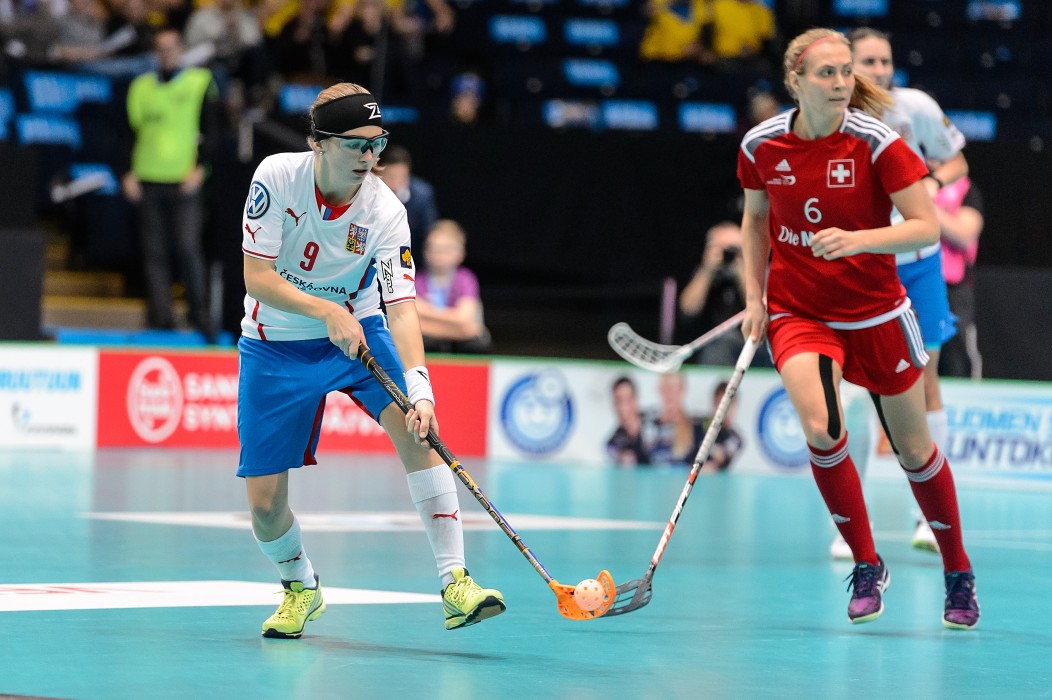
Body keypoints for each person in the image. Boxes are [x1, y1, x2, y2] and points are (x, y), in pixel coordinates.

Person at [237, 82, 505, 639]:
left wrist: (422, 388)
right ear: (320, 143)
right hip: (275, 344)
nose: (370, 157)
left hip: (361, 334)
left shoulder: (387, 210)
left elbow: (403, 307)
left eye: (377, 144)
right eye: (357, 144)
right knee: (264, 506)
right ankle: (300, 586)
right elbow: (257, 278)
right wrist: (323, 312)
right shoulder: (275, 177)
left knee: (417, 432)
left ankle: (455, 582)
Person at [736, 28, 979, 629]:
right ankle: (867, 564)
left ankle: (957, 570)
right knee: (821, 428)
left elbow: (924, 226)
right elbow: (755, 220)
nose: (842, 83)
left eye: (847, 72)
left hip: (877, 311)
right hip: (801, 312)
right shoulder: (761, 145)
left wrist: (858, 241)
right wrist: (754, 296)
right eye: (827, 73)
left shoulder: (877, 141)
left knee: (915, 451)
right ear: (794, 81)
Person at [847, 27, 971, 555]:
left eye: (885, 60)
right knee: (860, 390)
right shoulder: (837, 119)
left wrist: (932, 188)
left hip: (918, 265)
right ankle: (857, 523)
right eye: (867, 62)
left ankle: (930, 519)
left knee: (927, 379)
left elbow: (957, 161)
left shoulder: (915, 106)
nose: (879, 70)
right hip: (864, 268)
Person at [122, 27, 218, 338]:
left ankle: (199, 315)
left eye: (171, 47)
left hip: (184, 179)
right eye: (160, 48)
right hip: (148, 178)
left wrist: (202, 167)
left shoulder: (198, 82)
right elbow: (129, 133)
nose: (166, 53)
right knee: (154, 253)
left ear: (181, 49)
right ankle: (161, 317)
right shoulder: (140, 87)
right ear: (154, 52)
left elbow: (212, 129)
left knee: (188, 248)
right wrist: (128, 171)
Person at [414, 219, 491, 354]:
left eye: (446, 249)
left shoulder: (466, 279)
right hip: (438, 339)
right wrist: (457, 326)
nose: (439, 255)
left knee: (476, 344)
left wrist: (427, 312)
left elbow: (464, 318)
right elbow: (414, 323)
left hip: (464, 343)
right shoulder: (416, 280)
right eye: (433, 248)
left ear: (460, 253)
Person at [677, 221, 746, 366]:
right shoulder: (701, 274)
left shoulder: (756, 273)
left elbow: (763, 309)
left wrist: (741, 272)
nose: (728, 255)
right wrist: (708, 269)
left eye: (735, 249)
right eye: (722, 249)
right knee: (719, 348)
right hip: (710, 346)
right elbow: (688, 311)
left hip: (751, 345)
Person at [936, 177, 984, 378]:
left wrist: (924, 206)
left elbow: (965, 234)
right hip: (909, 286)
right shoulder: (910, 181)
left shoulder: (966, 189)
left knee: (956, 359)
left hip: (953, 290)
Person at [377, 145, 439, 256]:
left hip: (413, 257)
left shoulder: (422, 195)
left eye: (402, 177)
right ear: (380, 173)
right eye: (391, 177)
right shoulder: (370, 193)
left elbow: (429, 233)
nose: (396, 184)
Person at [696, 380, 744, 473]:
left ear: (735, 406)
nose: (725, 409)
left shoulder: (736, 438)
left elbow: (719, 461)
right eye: (720, 403)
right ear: (714, 403)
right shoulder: (697, 425)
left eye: (730, 404)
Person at [606, 376, 648, 466]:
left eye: (627, 400)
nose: (623, 407)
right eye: (618, 401)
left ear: (635, 400)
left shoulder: (657, 426)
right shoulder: (613, 444)